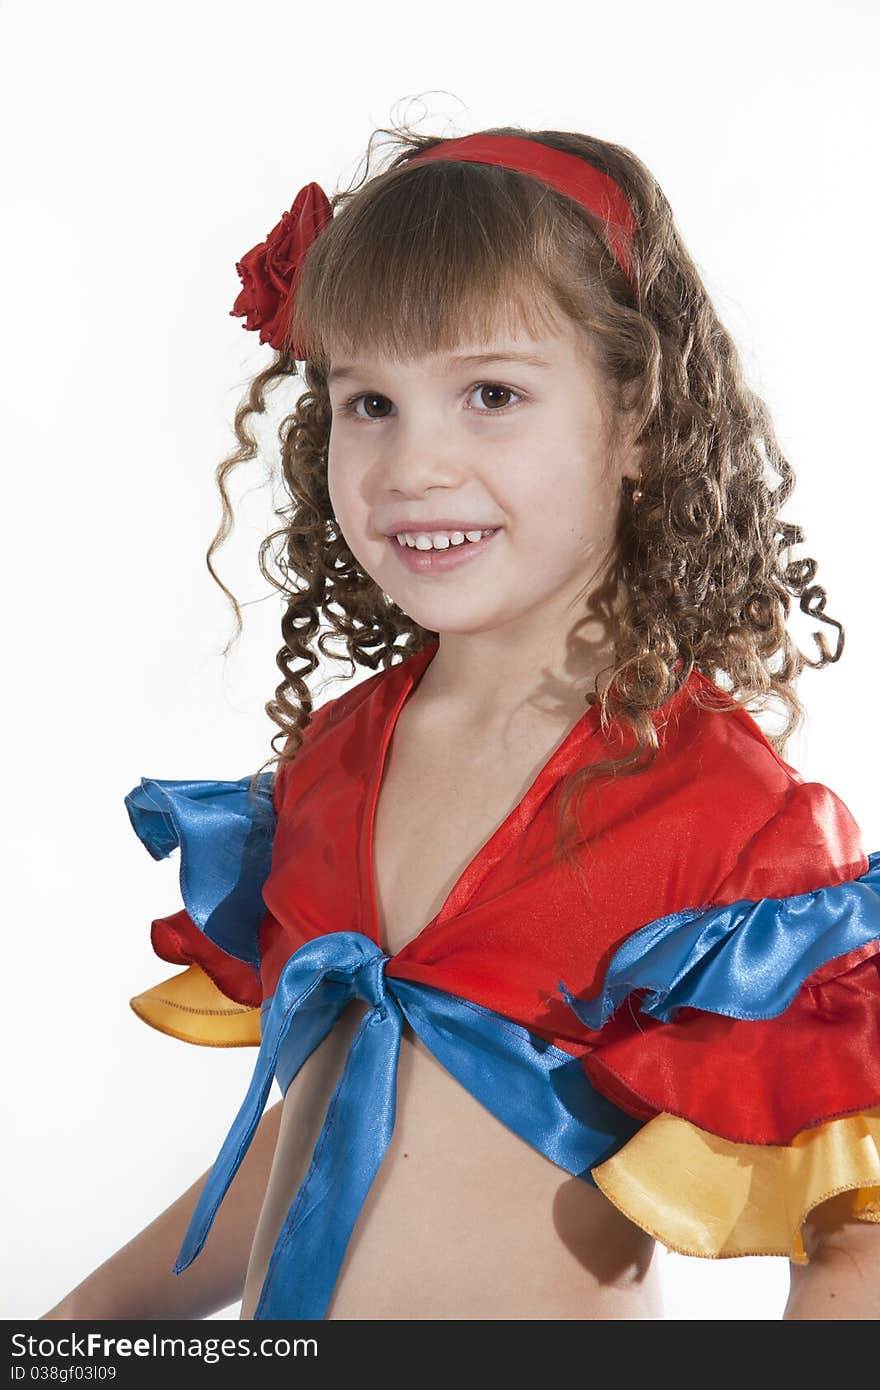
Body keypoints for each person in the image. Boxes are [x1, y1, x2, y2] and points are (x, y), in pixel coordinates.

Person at [42, 123, 880, 1322]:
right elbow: (329, 1129)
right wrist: (83, 1327)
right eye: (370, 401)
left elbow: (849, 1244)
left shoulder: (724, 822)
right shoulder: (336, 760)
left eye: (491, 394)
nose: (413, 464)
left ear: (639, 420)